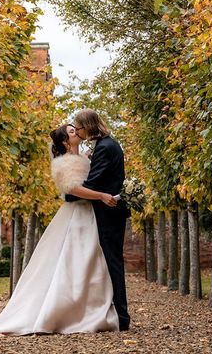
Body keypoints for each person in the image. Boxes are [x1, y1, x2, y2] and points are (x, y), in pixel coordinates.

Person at [0, 124, 119, 337]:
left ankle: (87, 309)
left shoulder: (84, 158)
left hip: (89, 215)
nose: (77, 132)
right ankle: (64, 312)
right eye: (72, 132)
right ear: (64, 142)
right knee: (76, 259)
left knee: (88, 262)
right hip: (76, 215)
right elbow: (72, 190)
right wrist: (100, 195)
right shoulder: (63, 163)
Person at [66, 109, 131, 331]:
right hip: (108, 212)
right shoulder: (107, 145)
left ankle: (122, 317)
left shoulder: (105, 148)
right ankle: (111, 312)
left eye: (79, 128)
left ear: (88, 127)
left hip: (109, 213)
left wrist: (71, 193)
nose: (79, 132)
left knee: (113, 262)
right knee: (108, 262)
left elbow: (93, 183)